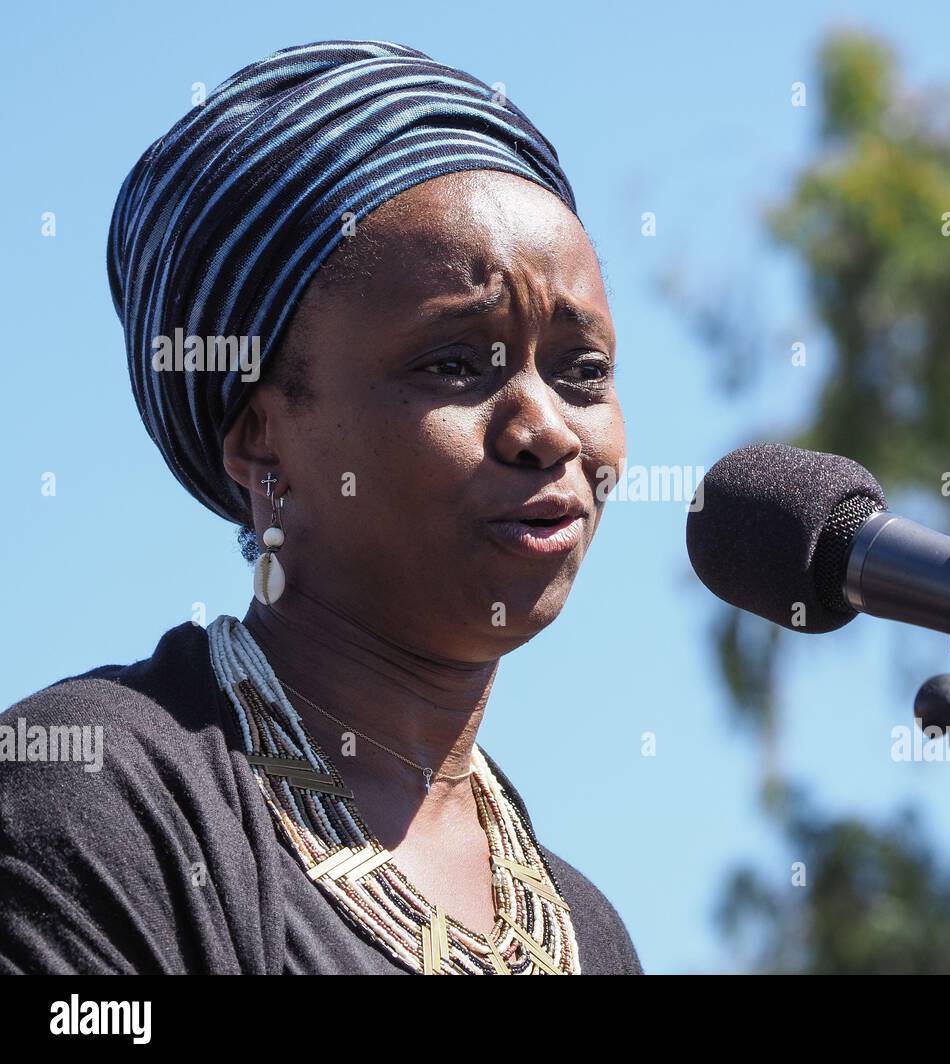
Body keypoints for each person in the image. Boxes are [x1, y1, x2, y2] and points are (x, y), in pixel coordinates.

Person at [0, 39, 641, 975]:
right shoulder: (95, 800)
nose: (546, 430)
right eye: (455, 364)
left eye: (582, 372)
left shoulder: (586, 932)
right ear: (263, 441)